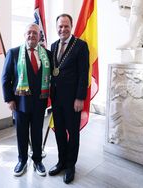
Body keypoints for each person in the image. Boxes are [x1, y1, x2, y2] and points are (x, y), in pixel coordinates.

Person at [1, 23, 51, 177]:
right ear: (24, 35)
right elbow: (5, 78)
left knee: (37, 133)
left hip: (39, 103)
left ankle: (37, 160)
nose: (31, 36)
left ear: (39, 36)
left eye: (35, 33)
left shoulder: (47, 55)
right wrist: (9, 100)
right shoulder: (14, 53)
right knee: (22, 134)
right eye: (29, 33)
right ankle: (22, 160)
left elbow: (52, 79)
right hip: (20, 104)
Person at [48, 14, 89, 184]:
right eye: (60, 26)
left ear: (71, 27)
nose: (62, 29)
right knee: (59, 132)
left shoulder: (80, 45)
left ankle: (71, 165)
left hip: (73, 100)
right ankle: (61, 161)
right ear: (56, 28)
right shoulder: (53, 45)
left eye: (66, 26)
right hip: (56, 99)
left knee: (72, 133)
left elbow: (83, 74)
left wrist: (80, 98)